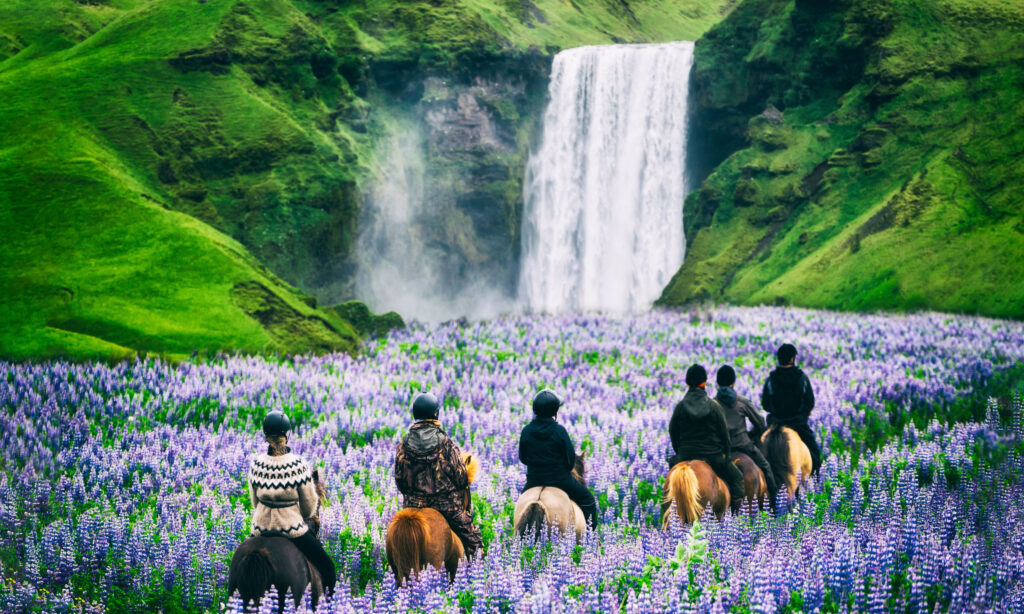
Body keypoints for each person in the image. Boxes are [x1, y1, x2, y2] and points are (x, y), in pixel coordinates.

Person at [248, 410, 337, 596]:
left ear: (266, 436)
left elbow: (255, 502)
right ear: (286, 435)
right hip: (292, 529)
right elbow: (309, 505)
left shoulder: (256, 465)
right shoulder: (297, 465)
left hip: (260, 529)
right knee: (327, 567)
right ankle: (329, 603)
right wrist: (300, 516)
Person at [394, 393, 483, 557]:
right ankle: (477, 565)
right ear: (435, 414)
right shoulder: (445, 442)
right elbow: (461, 478)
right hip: (445, 505)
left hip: (412, 504)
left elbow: (399, 480)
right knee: (474, 540)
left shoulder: (403, 444)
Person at [668, 365, 745, 511]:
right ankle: (736, 516)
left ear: (688, 383)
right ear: (704, 383)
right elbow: (724, 436)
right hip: (712, 455)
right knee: (737, 478)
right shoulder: (713, 406)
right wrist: (726, 455)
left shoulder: (681, 407)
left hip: (686, 454)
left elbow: (673, 432)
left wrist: (680, 451)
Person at [518, 390, 599, 528]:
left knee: (520, 505)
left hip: (533, 480)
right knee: (588, 500)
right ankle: (591, 541)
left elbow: (523, 458)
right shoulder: (559, 431)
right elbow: (569, 461)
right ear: (555, 412)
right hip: (560, 480)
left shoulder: (526, 431)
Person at [715, 365, 778, 494]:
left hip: (720, 449)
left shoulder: (712, 403)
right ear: (733, 382)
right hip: (743, 446)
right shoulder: (742, 402)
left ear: (718, 383)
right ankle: (775, 501)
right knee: (765, 467)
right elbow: (760, 422)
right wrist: (750, 434)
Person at [761, 343, 822, 473]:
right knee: (815, 456)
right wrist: (801, 414)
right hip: (798, 424)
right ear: (792, 359)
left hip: (776, 424)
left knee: (757, 453)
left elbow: (765, 404)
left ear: (779, 359)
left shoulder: (771, 379)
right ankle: (815, 484)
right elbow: (809, 403)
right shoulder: (802, 378)